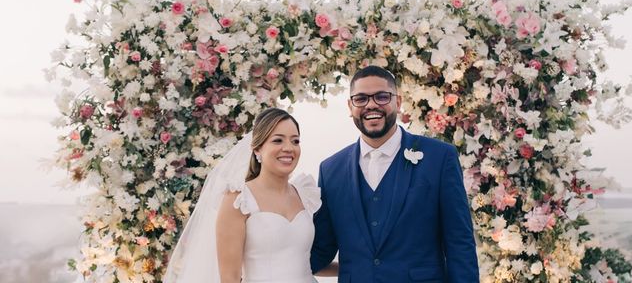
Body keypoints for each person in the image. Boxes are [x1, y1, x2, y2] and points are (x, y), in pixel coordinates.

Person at [311, 65, 479, 282]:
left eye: (382, 97)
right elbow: (321, 249)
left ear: (397, 102)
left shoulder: (439, 157)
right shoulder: (330, 170)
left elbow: (460, 242)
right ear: (350, 106)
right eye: (361, 99)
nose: (371, 105)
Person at [164, 107, 331, 283]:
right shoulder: (239, 199)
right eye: (278, 140)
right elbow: (230, 278)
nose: (289, 148)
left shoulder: (304, 194)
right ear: (257, 149)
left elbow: (306, 260)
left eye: (295, 141)